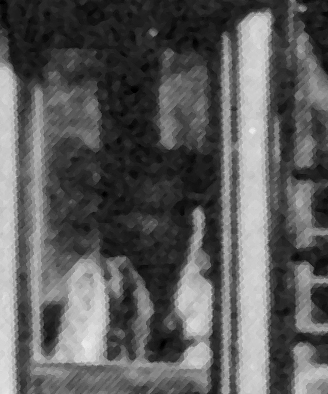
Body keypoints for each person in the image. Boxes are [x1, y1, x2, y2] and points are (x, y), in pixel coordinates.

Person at [48, 151, 214, 368]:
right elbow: (75, 372)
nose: (147, 226)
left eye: (163, 212)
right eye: (139, 211)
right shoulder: (96, 279)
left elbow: (200, 369)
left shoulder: (201, 285)